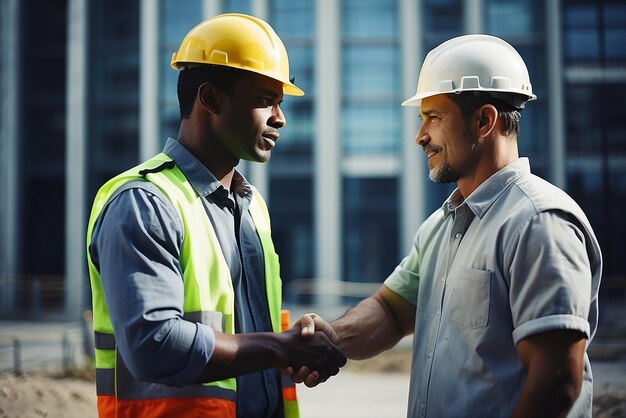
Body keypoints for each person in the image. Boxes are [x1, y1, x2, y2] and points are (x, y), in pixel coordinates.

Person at [295, 34, 602, 418]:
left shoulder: (538, 223)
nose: (420, 136)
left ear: (484, 121)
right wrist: (332, 336)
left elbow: (556, 382)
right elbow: (390, 313)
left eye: (433, 117)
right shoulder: (440, 227)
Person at [86, 13, 346, 418]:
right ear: (209, 99)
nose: (280, 118)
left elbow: (245, 339)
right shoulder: (145, 202)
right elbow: (152, 345)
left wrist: (294, 340)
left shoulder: (251, 206)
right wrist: (282, 346)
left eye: (280, 103)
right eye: (264, 100)